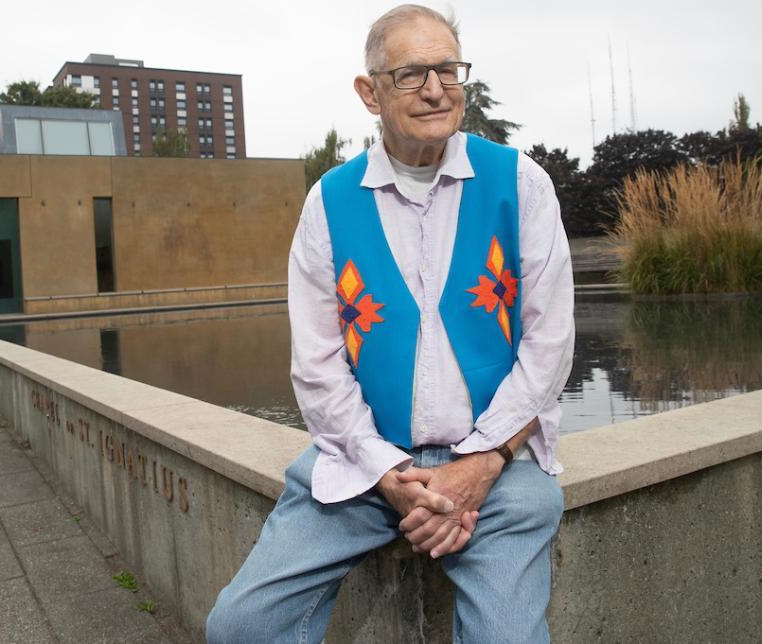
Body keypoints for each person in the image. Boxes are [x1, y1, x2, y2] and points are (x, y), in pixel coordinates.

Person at [207, 5, 574, 642]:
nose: (436, 88)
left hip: (502, 466)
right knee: (240, 627)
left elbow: (550, 344)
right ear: (369, 92)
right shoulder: (328, 201)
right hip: (364, 468)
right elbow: (318, 368)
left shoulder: (522, 183)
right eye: (410, 75)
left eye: (448, 69)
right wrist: (388, 476)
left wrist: (480, 463)